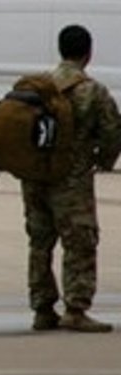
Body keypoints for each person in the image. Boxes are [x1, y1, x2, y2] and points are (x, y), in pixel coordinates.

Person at [24, 24, 121, 333]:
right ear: (88, 53)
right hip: (71, 179)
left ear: (61, 50)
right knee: (79, 241)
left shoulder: (40, 86)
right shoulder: (92, 90)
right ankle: (76, 309)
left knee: (40, 242)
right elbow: (112, 133)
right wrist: (102, 161)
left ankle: (42, 309)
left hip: (36, 177)